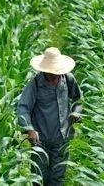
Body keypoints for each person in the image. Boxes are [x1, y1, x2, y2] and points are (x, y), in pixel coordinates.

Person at [17, 47, 83, 186]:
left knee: (57, 178)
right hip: (41, 141)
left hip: (62, 138)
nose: (54, 76)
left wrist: (76, 112)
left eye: (56, 72)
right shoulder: (35, 84)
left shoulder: (68, 79)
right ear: (44, 70)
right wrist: (29, 130)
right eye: (51, 72)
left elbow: (78, 99)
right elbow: (23, 107)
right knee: (39, 177)